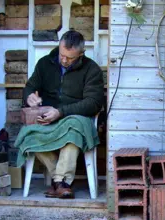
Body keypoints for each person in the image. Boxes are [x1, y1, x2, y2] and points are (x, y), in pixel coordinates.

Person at [22, 30, 104, 199]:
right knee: (30, 133)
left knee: (73, 130)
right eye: (62, 55)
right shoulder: (45, 63)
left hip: (75, 117)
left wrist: (61, 112)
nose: (64, 60)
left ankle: (59, 181)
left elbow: (94, 103)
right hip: (48, 117)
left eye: (70, 58)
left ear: (81, 54)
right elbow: (30, 86)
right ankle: (60, 183)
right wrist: (29, 96)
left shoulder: (92, 69)